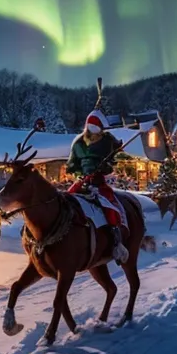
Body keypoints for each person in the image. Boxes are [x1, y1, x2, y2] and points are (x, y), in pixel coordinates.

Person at [66, 91, 129, 264]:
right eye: (95, 130)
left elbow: (115, 159)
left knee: (110, 207)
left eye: (99, 131)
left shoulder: (108, 140)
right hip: (81, 182)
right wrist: (80, 174)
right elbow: (71, 165)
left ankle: (116, 242)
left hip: (99, 183)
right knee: (66, 202)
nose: (97, 134)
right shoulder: (78, 143)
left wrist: (105, 167)